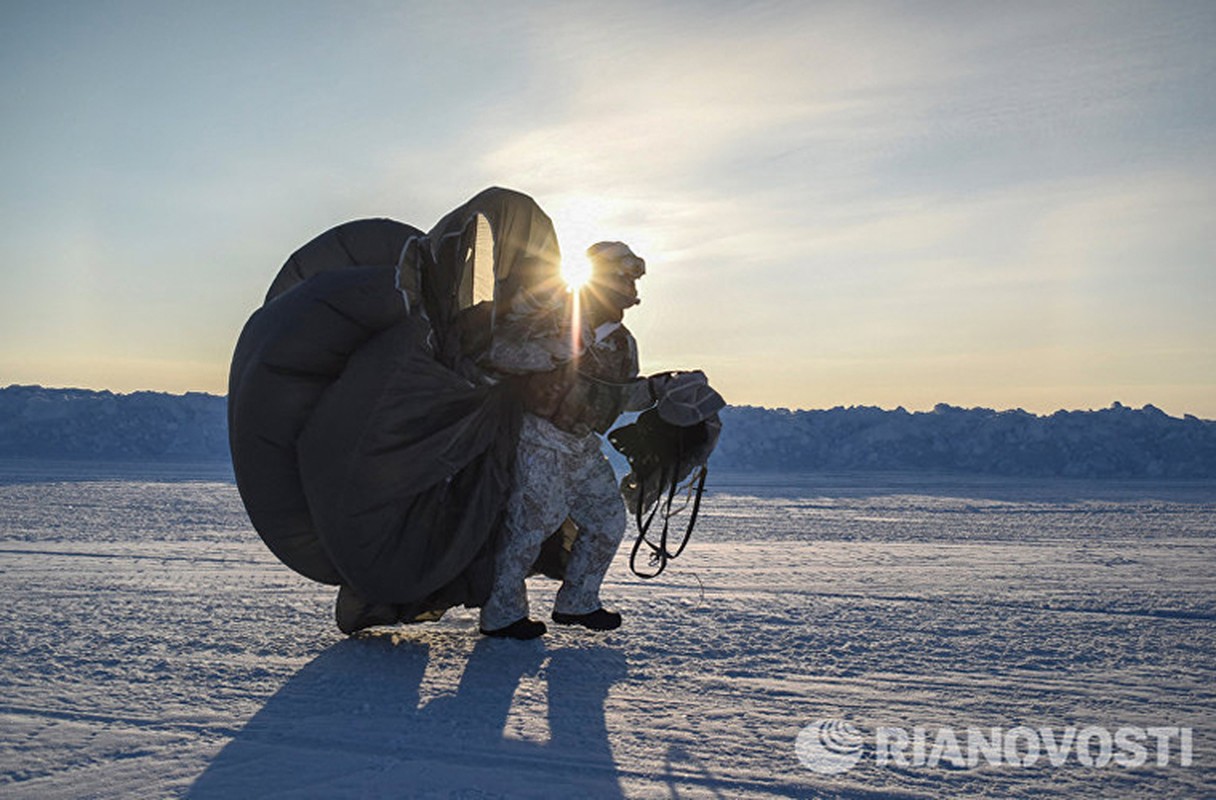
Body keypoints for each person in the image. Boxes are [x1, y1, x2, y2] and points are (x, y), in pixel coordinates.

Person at [479, 242, 658, 640]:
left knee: (608, 519)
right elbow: (498, 352)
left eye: (632, 279)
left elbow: (622, 395)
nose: (629, 286)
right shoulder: (551, 314)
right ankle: (502, 614)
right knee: (529, 524)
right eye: (623, 276)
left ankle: (578, 602)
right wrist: (551, 351)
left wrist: (661, 390)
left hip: (581, 444)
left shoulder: (623, 342)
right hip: (538, 437)